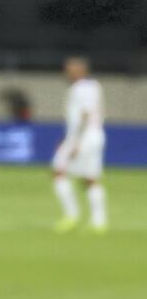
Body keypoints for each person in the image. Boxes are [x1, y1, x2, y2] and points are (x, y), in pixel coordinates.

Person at [51, 56, 107, 234]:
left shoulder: (80, 89)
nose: (67, 73)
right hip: (95, 135)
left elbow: (84, 114)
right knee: (90, 178)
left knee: (59, 171)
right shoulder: (94, 86)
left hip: (84, 137)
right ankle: (99, 222)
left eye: (70, 69)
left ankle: (71, 215)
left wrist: (75, 141)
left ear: (81, 70)